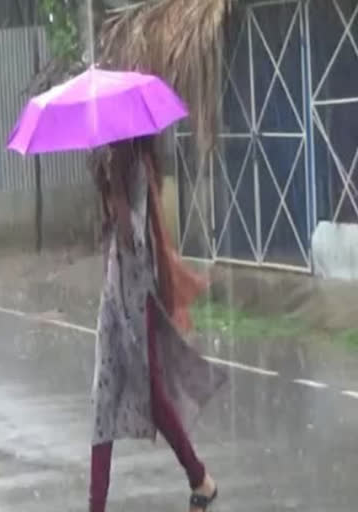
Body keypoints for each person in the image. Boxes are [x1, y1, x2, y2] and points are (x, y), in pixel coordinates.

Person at [90, 137, 226, 512]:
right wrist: (105, 188)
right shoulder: (115, 164)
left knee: (154, 397)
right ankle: (95, 506)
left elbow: (135, 240)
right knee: (102, 403)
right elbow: (114, 240)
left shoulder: (135, 168)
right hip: (113, 301)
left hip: (138, 303)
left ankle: (200, 477)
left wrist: (116, 190)